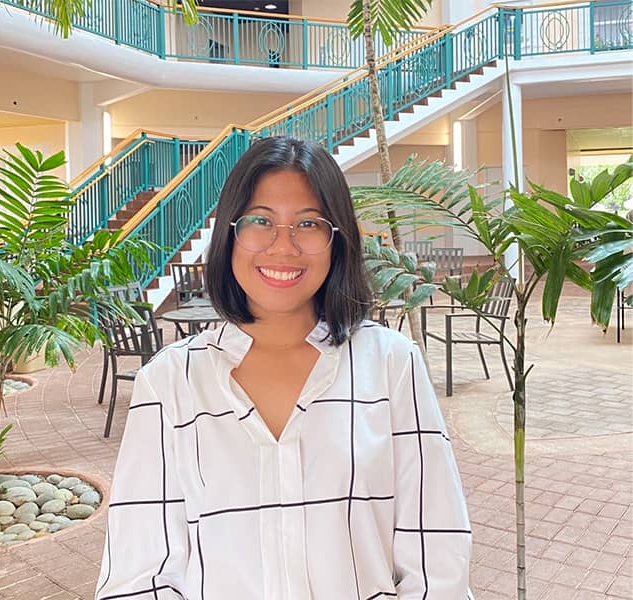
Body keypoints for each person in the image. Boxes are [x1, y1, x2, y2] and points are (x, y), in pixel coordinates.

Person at [95, 136, 472, 599]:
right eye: (260, 221)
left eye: (309, 224)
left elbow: (436, 561)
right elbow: (139, 575)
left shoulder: (392, 365)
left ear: (337, 239)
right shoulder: (171, 382)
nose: (283, 247)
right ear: (230, 233)